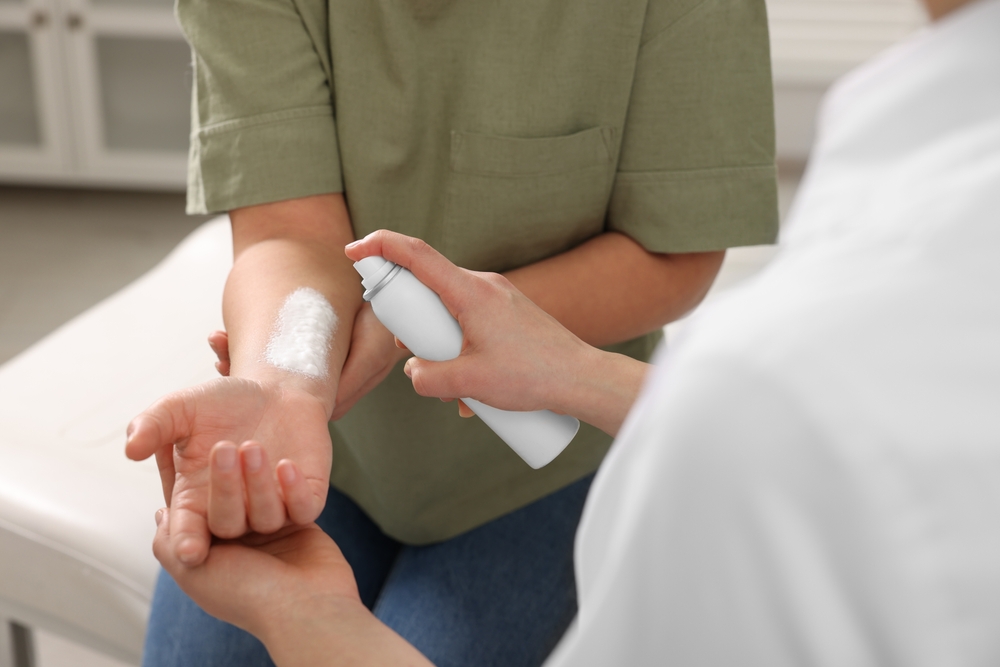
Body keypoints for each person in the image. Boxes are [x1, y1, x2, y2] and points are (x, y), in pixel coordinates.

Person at [146, 0, 1000, 662]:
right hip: (341, 443)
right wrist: (286, 383)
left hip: (548, 465)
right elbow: (289, 232)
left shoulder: (757, 404)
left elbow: (676, 252)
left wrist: (310, 625)